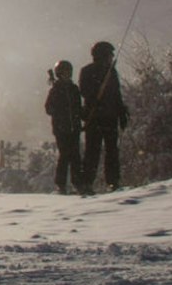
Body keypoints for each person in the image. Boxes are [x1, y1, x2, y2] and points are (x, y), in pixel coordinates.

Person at [77, 39, 130, 195]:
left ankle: (113, 181)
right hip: (94, 118)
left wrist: (121, 113)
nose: (111, 58)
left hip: (110, 117)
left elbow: (117, 95)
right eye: (109, 55)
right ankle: (87, 183)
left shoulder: (111, 72)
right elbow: (84, 91)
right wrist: (96, 97)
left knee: (112, 151)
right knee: (92, 152)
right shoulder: (87, 71)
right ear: (101, 55)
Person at [44, 59, 84, 195]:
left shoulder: (74, 89)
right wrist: (61, 111)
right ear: (59, 73)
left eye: (68, 72)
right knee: (65, 156)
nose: (67, 74)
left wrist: (80, 116)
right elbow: (48, 108)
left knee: (75, 156)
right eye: (64, 72)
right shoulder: (55, 90)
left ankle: (78, 183)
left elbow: (78, 107)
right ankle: (61, 185)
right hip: (62, 129)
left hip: (74, 127)